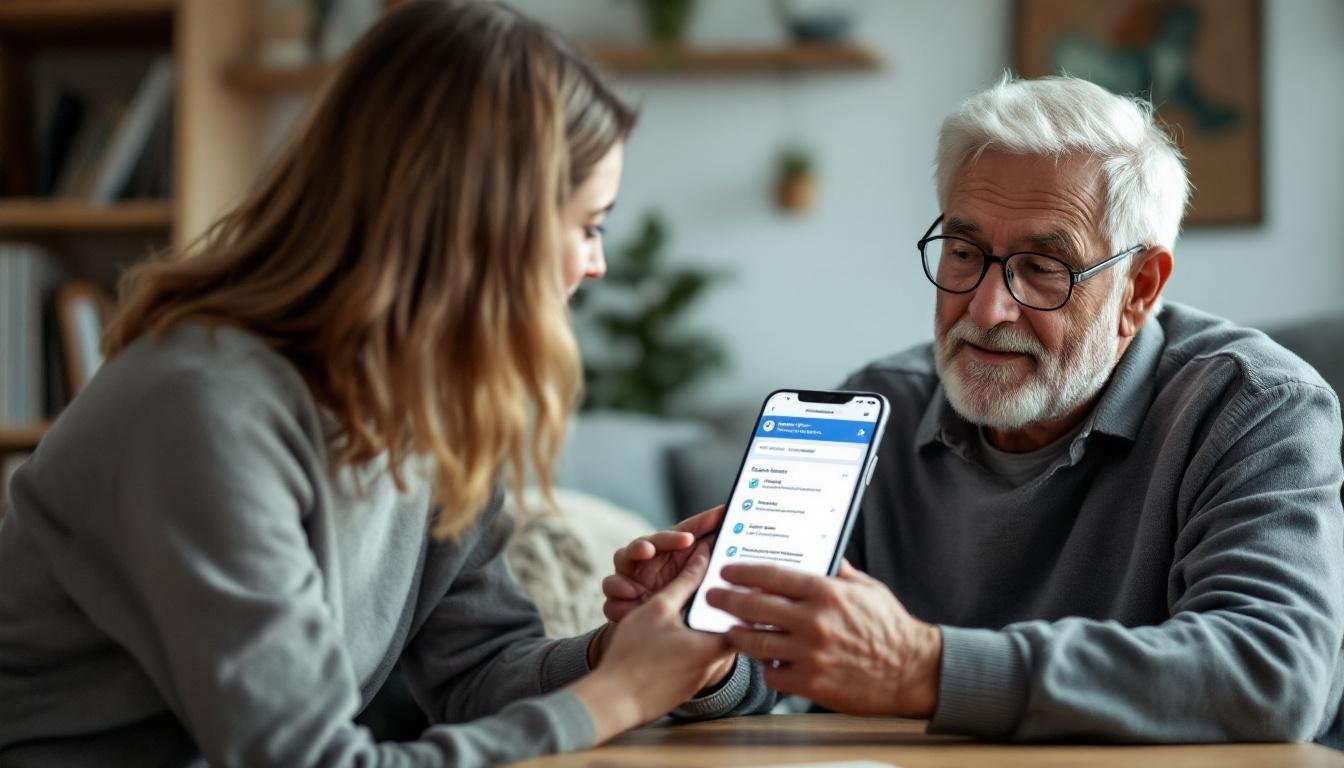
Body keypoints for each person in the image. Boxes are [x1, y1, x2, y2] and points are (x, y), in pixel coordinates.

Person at [0, 2, 736, 766]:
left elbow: (478, 668)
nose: (596, 264)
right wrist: (619, 697)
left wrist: (617, 655)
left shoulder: (424, 406)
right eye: (589, 225)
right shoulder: (204, 406)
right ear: (485, 227)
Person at [599, 74, 1344, 744]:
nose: (986, 309)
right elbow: (778, 653)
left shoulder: (1256, 407)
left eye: (1042, 268)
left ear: (1140, 288)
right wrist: (705, 660)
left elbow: (1273, 672)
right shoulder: (883, 401)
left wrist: (926, 668)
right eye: (963, 253)